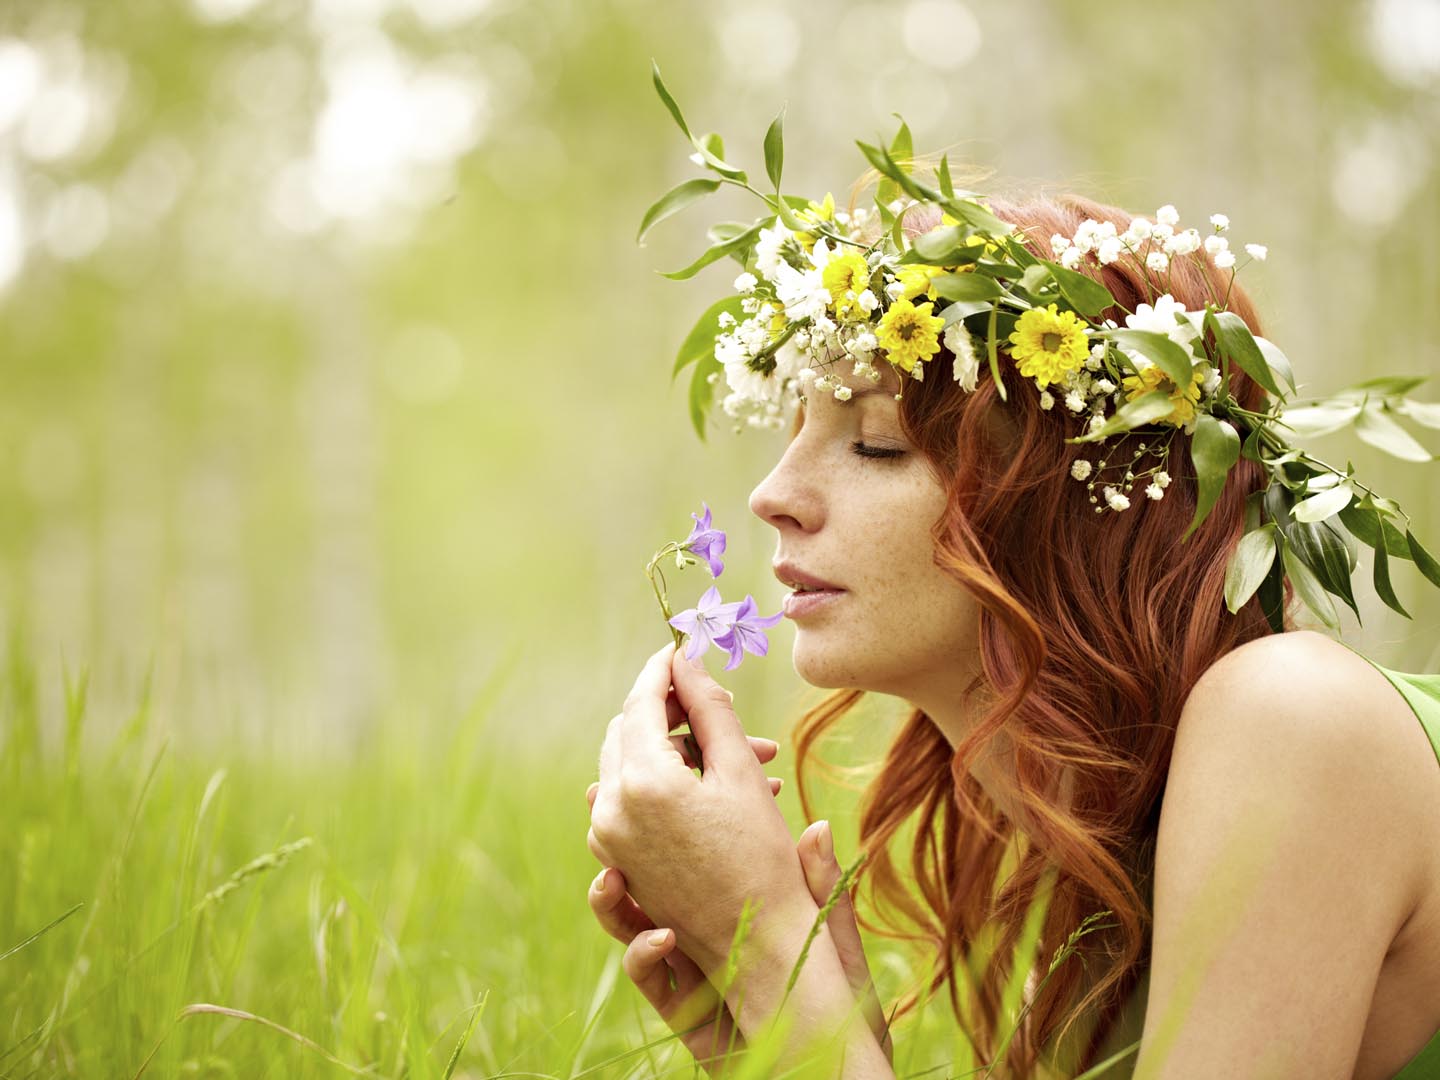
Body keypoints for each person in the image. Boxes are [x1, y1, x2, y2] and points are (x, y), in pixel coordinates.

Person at [585, 186, 1440, 1078]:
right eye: (801, 428)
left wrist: (769, 962)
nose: (770, 495)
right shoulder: (1089, 913)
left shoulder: (1294, 718)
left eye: (877, 442)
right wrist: (798, 1044)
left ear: (1084, 502)